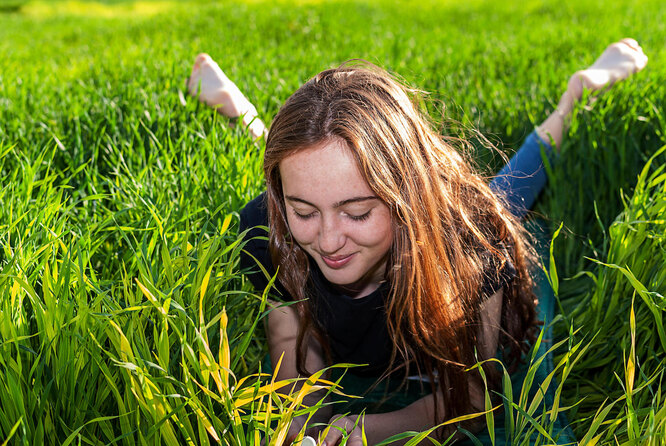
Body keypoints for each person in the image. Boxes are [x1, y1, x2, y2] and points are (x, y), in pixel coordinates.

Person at [187, 39, 647, 445]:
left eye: (359, 212)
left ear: (407, 197)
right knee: (311, 161)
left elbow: (470, 398)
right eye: (304, 212)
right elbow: (297, 378)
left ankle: (576, 94)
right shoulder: (275, 230)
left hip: (454, 224)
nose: (327, 241)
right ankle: (236, 108)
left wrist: (369, 430)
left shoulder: (473, 242)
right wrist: (306, 431)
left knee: (512, 191)